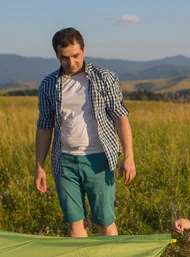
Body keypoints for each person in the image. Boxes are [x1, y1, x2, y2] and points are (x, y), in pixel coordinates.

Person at [34, 27, 135, 237]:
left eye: (75, 55)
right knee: (73, 223)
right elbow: (44, 126)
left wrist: (129, 157)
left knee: (105, 221)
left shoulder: (104, 77)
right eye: (64, 58)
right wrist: (39, 166)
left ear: (84, 50)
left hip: (98, 158)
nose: (71, 63)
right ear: (56, 55)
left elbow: (120, 116)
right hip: (64, 161)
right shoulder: (48, 84)